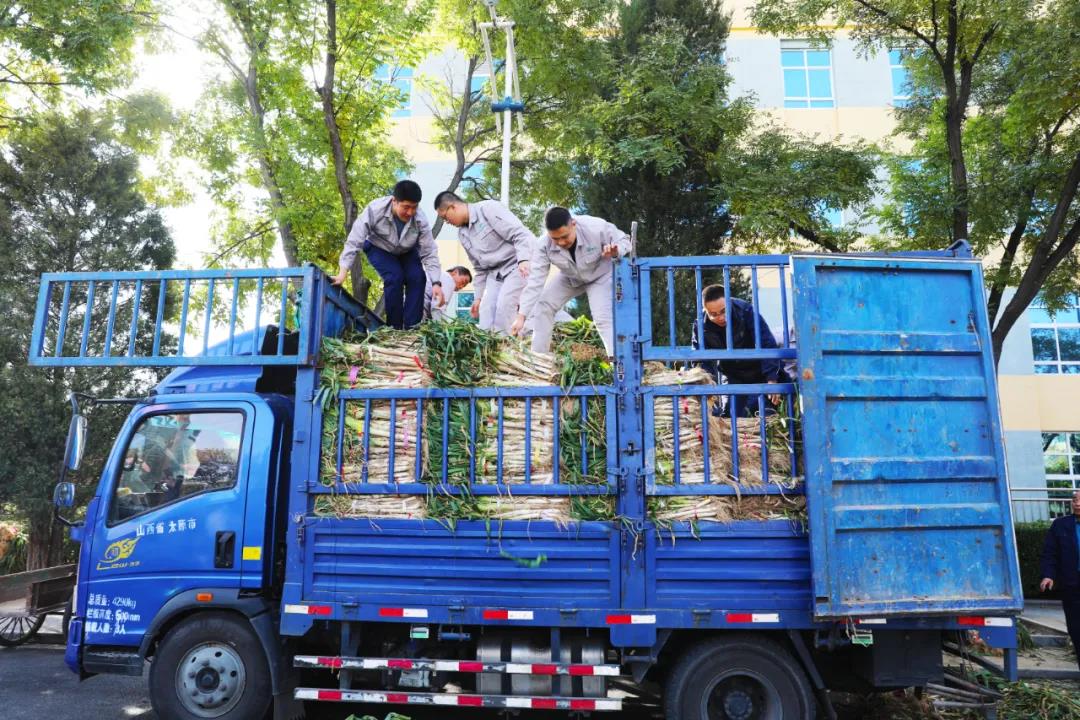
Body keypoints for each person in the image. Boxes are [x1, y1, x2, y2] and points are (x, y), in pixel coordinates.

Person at [510, 207, 630, 355]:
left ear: (573, 224)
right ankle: (539, 357)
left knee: (602, 319)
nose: (560, 242)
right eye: (555, 238)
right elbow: (535, 281)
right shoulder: (543, 245)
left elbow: (624, 239)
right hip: (570, 277)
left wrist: (617, 251)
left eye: (565, 236)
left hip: (600, 276)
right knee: (543, 305)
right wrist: (521, 316)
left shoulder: (595, 227)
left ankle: (617, 364)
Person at [333, 180, 443, 329]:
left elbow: (429, 251)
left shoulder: (420, 219)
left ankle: (412, 328)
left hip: (407, 250)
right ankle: (394, 328)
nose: (410, 212)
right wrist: (342, 272)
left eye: (414, 207)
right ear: (394, 201)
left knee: (418, 277)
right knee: (394, 277)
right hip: (379, 247)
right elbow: (354, 241)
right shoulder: (374, 210)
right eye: (406, 207)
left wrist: (436, 282)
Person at [433, 191, 535, 333]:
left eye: (445, 217)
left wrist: (524, 259)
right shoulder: (462, 234)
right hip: (494, 272)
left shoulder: (488, 209)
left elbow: (520, 234)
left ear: (453, 207)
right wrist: (478, 298)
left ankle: (510, 345)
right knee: (486, 310)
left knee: (504, 305)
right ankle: (488, 349)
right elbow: (480, 269)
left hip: (516, 264)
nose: (447, 222)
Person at [691, 285, 786, 417]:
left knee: (764, 415)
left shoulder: (745, 311)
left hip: (760, 372)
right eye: (713, 314)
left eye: (724, 311)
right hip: (732, 375)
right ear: (705, 310)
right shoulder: (700, 325)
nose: (720, 317)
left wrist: (771, 379)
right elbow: (700, 359)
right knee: (730, 415)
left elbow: (767, 343)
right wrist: (706, 386)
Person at [1040, 490, 1080, 670]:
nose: (1077, 503)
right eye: (1074, 499)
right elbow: (1050, 553)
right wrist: (1048, 575)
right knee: (1076, 630)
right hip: (1072, 586)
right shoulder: (1060, 525)